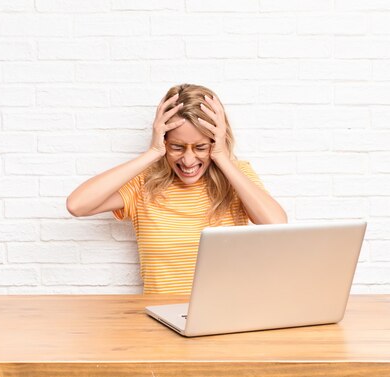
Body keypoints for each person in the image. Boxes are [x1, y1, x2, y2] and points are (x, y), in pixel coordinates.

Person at [66, 83, 287, 294]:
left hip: (228, 314)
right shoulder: (143, 184)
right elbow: (77, 205)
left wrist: (222, 157)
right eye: (177, 147)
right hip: (163, 318)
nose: (188, 160)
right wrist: (152, 152)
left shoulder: (237, 176)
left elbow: (276, 225)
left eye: (200, 147)